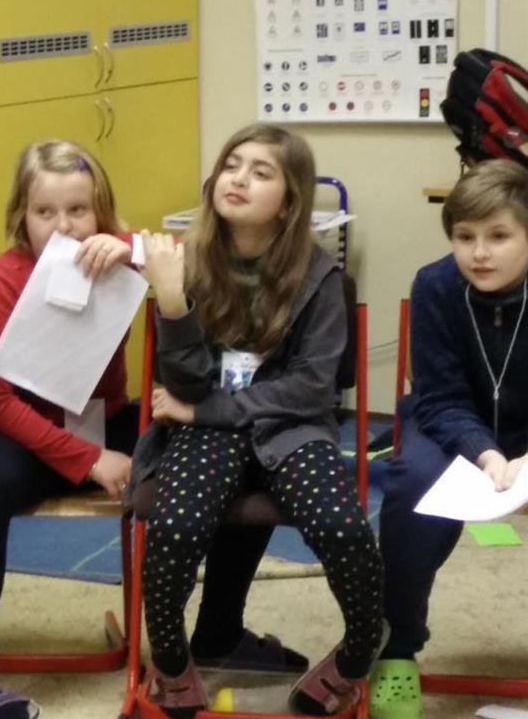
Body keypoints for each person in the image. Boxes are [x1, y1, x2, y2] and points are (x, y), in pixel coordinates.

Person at [0, 139, 304, 719]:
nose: (64, 226)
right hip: (16, 432)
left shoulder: (114, 258)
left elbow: (190, 253)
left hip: (98, 418)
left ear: (101, 213)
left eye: (78, 210)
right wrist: (86, 460)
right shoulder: (0, 280)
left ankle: (218, 629)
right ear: (21, 217)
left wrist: (129, 244)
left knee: (236, 452)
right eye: (45, 212)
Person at [135, 125, 384, 718]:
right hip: (204, 430)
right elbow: (186, 384)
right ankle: (169, 660)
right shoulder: (188, 262)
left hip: (290, 427)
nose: (239, 179)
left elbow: (311, 388)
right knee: (175, 527)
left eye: (261, 172)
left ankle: (357, 654)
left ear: (289, 202)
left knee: (344, 529)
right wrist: (171, 300)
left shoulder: (320, 278)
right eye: (232, 165)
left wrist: (212, 409)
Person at [369, 159, 528, 719]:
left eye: (499, 236)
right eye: (465, 237)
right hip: (450, 422)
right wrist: (486, 454)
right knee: (413, 485)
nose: (479, 253)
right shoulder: (435, 285)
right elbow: (439, 397)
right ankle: (398, 646)